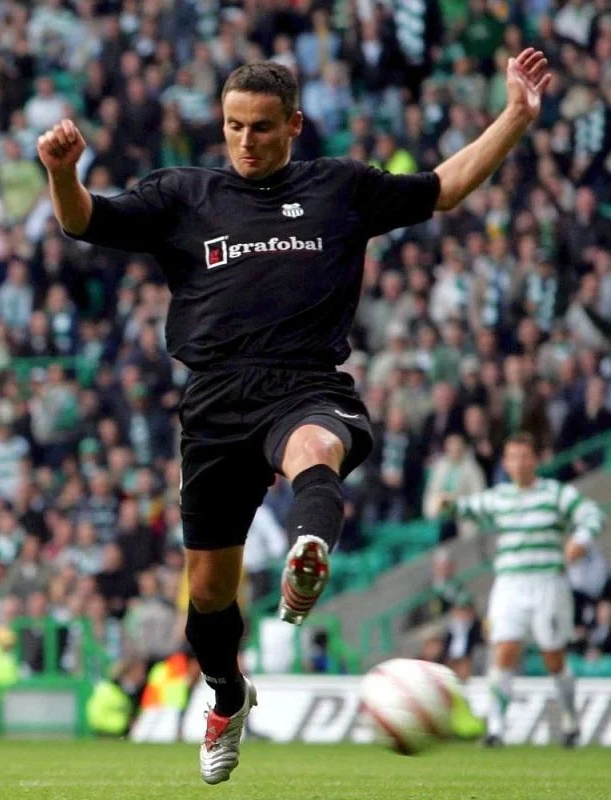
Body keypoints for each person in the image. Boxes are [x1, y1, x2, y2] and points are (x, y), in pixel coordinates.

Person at [36, 49, 552, 783]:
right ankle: (227, 695)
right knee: (208, 594)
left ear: (294, 125)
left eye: (262, 127)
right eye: (234, 126)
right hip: (215, 401)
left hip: (306, 382)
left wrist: (516, 117)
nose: (246, 141)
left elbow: (445, 187)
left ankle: (309, 548)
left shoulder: (340, 187)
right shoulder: (185, 194)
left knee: (316, 447)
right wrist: (62, 174)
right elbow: (85, 219)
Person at [445, 433, 602, 747]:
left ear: (535, 460)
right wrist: (447, 503)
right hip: (510, 585)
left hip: (547, 583)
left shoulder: (554, 493)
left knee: (553, 658)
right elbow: (468, 507)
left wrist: (580, 540)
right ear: (505, 463)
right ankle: (496, 728)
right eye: (512, 457)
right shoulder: (500, 497)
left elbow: (592, 514)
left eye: (524, 456)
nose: (518, 463)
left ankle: (571, 719)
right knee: (503, 651)